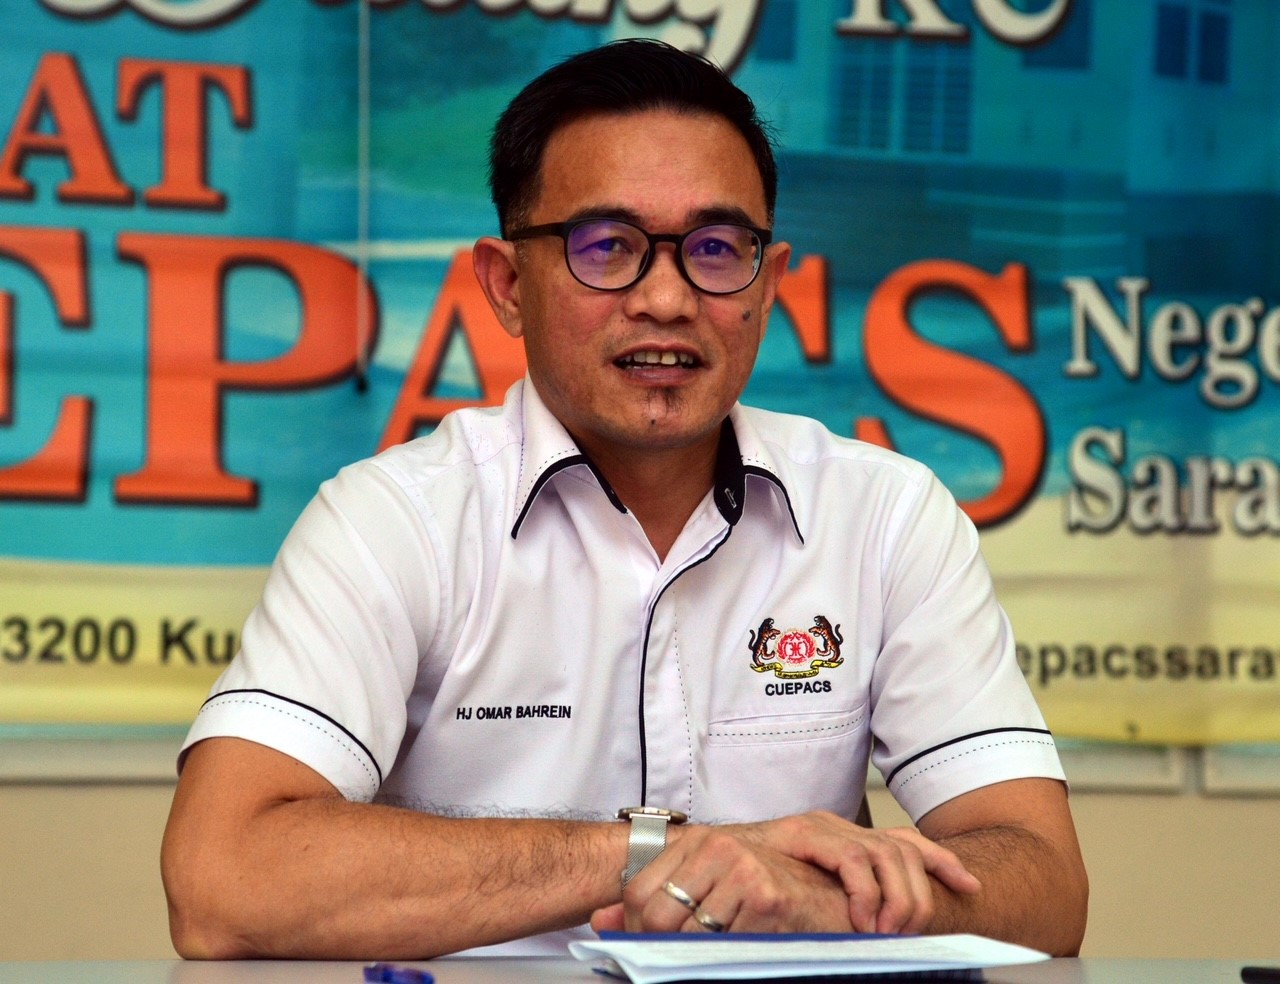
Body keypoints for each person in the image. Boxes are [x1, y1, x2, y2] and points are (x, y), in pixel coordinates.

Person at [161, 38, 1088, 960]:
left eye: (716, 249)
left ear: (770, 284)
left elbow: (1045, 884)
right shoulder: (394, 521)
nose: (667, 300)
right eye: (608, 247)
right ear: (506, 285)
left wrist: (810, 894)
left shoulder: (885, 517)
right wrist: (660, 855)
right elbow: (222, 880)